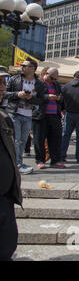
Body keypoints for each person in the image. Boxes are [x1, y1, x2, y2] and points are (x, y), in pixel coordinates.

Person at [4, 58, 46, 175]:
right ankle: (17, 164)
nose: (23, 67)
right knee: (16, 140)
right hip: (14, 113)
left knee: (23, 140)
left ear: (33, 68)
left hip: (28, 115)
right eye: (22, 65)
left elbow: (41, 100)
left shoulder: (39, 83)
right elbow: (4, 93)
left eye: (26, 65)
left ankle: (18, 162)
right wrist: (17, 94)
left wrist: (30, 98)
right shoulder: (14, 79)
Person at [0, 66, 22, 261]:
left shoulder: (5, 119)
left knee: (7, 243)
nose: (1, 87)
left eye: (3, 82)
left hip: (6, 196)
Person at [34, 68, 65, 169]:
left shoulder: (56, 85)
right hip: (41, 114)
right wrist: (48, 97)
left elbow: (62, 97)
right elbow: (34, 97)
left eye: (55, 79)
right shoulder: (38, 83)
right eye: (51, 78)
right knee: (39, 138)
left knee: (56, 139)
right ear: (46, 74)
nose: (53, 80)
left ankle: (55, 160)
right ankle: (40, 160)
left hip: (54, 114)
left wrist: (59, 98)